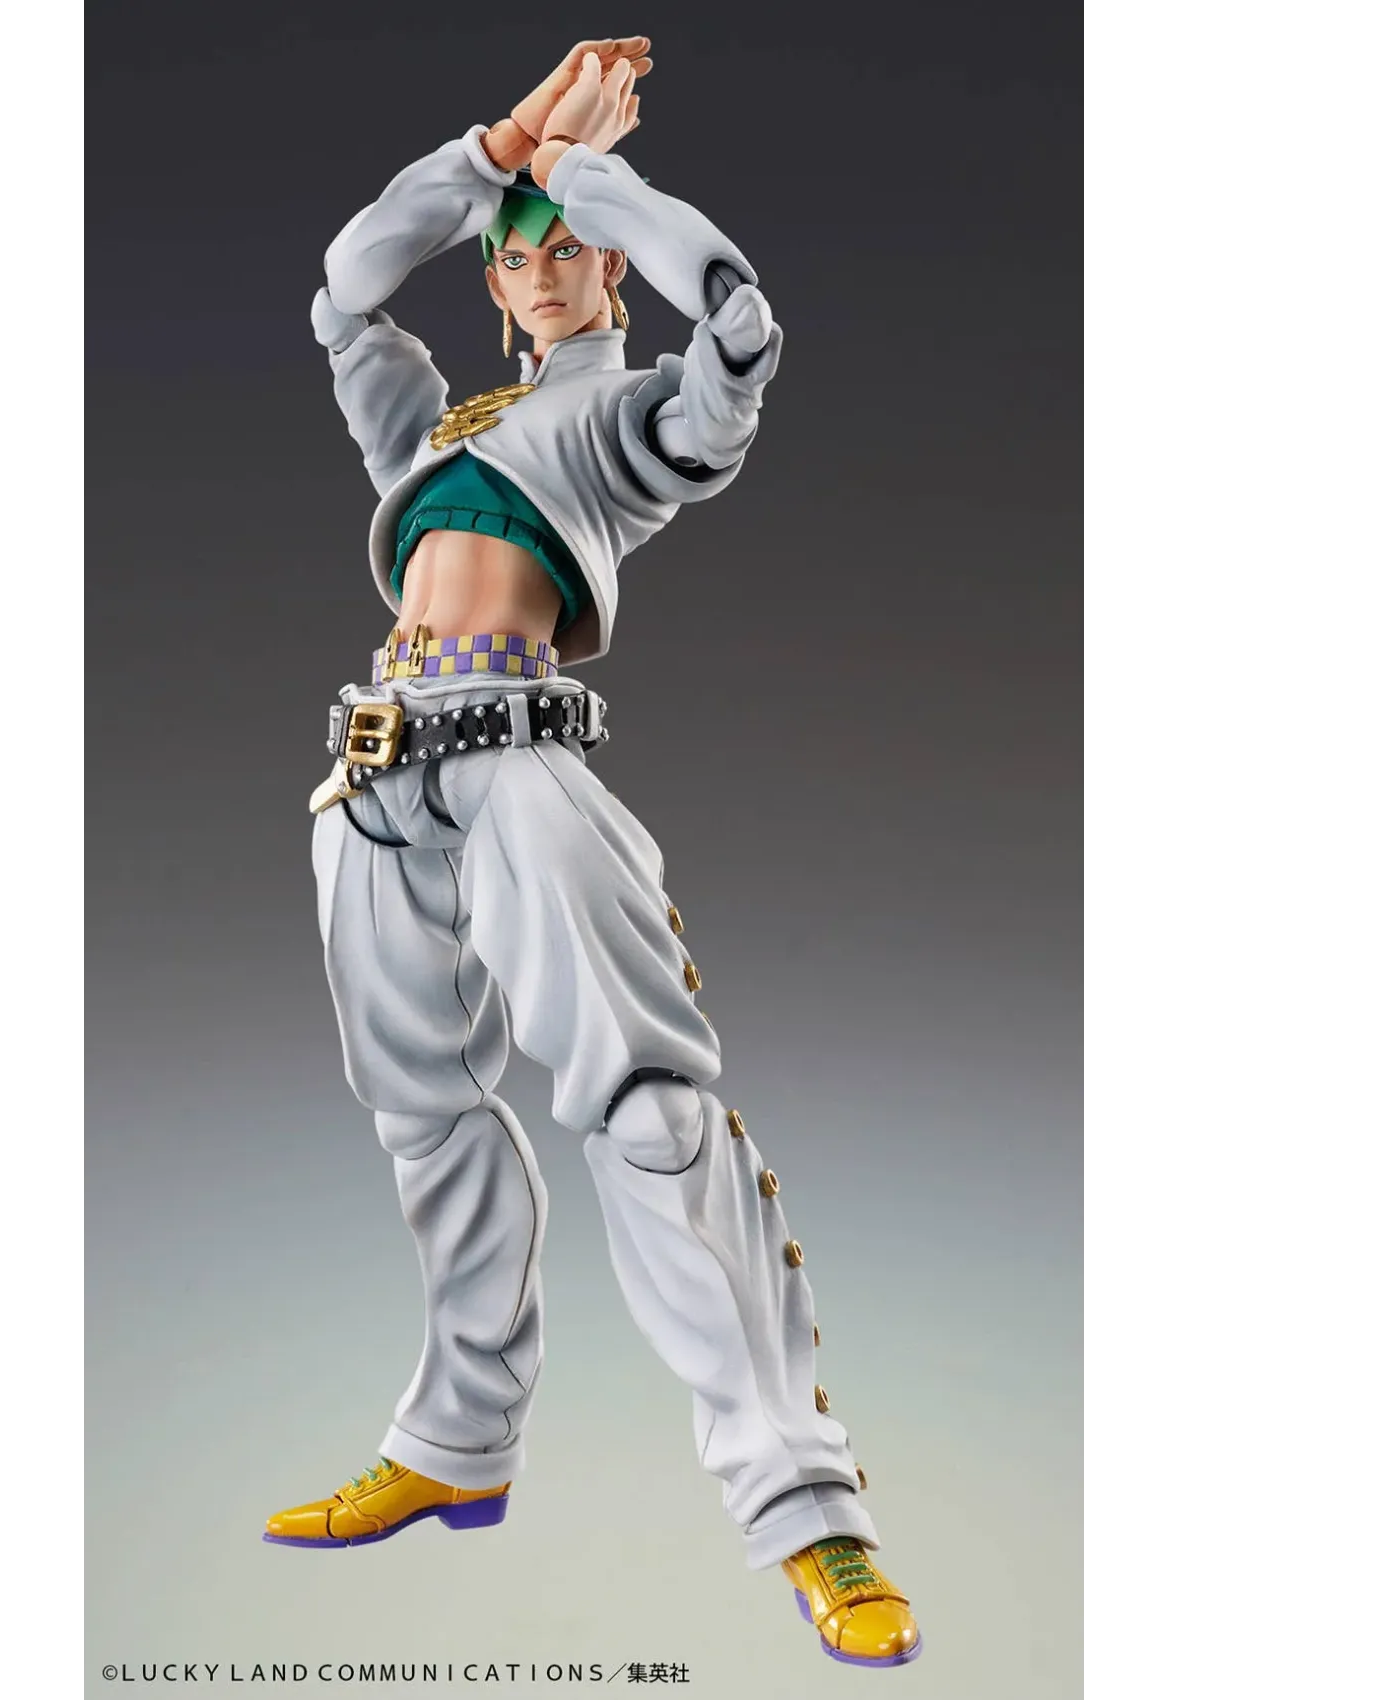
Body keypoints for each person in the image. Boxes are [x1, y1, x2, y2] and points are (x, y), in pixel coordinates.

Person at [264, 38, 923, 1669]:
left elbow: (743, 332)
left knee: (646, 1109)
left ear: (609, 264)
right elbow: (346, 290)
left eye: (569, 251)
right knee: (423, 1114)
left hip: (521, 768)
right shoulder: (435, 431)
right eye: (520, 256)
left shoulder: (623, 419)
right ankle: (455, 1445)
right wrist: (499, 147)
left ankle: (809, 1512)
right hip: (373, 773)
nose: (544, 269)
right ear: (493, 283)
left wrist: (585, 172)